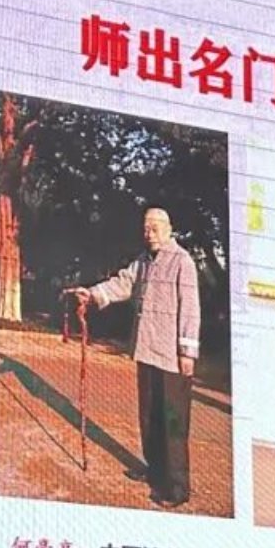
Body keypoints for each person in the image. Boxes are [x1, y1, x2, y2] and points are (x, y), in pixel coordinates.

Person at [67, 207, 201, 507]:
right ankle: (155, 471)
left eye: (155, 228)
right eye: (146, 228)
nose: (149, 233)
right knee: (149, 415)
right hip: (147, 349)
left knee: (172, 422)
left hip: (172, 357)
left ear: (169, 229)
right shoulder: (142, 261)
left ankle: (177, 487)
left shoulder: (182, 261)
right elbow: (122, 283)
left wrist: (187, 352)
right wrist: (92, 293)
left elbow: (191, 309)